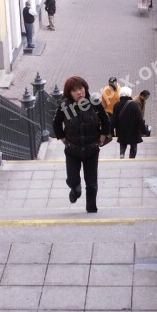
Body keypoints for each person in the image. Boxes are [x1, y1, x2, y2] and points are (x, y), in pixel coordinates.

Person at [53, 76, 110, 213]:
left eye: (81, 88)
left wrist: (102, 136)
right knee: (72, 180)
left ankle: (91, 208)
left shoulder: (94, 103)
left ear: (85, 88)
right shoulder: (65, 106)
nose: (79, 92)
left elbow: (106, 120)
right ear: (69, 93)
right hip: (73, 150)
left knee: (91, 182)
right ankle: (75, 190)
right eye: (74, 90)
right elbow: (56, 124)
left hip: (91, 149)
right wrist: (62, 138)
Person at [112, 87, 148, 159]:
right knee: (134, 145)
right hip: (133, 130)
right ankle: (132, 158)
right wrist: (144, 130)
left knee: (122, 143)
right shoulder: (134, 105)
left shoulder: (116, 105)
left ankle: (122, 154)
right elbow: (139, 119)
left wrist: (111, 131)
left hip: (121, 129)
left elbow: (114, 120)